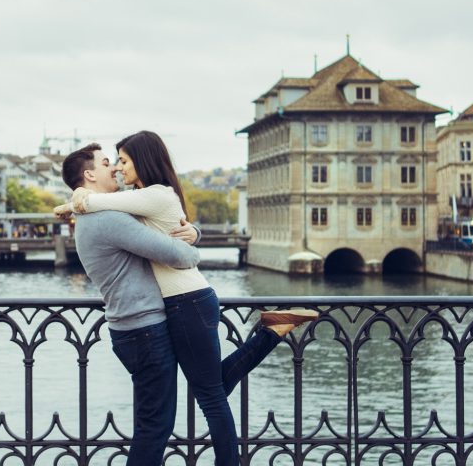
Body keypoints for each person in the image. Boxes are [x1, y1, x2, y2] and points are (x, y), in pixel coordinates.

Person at [60, 133, 316, 466]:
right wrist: (191, 242)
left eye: (122, 161)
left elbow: (161, 218)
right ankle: (271, 333)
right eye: (110, 163)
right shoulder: (110, 216)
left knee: (201, 398)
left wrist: (76, 201)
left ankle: (271, 333)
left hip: (179, 306)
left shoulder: (127, 204)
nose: (118, 169)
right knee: (194, 401)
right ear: (90, 175)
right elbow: (179, 253)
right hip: (156, 322)